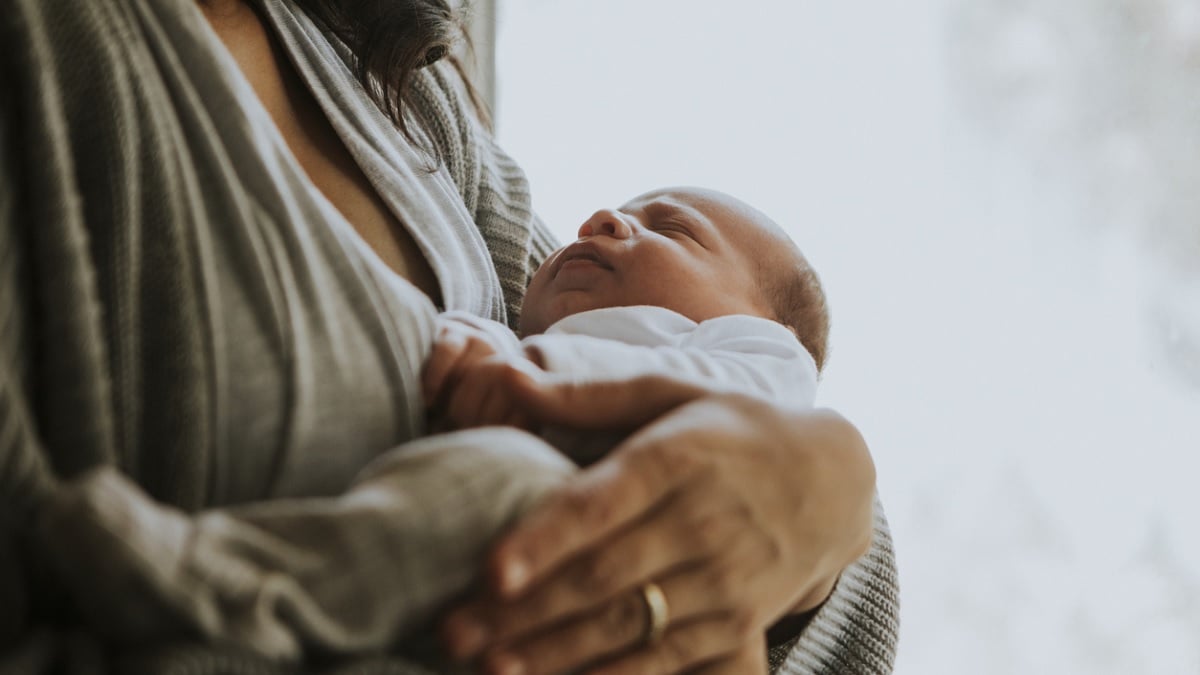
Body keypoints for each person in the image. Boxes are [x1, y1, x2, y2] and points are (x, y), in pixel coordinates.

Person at [0, 1, 899, 674]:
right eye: (620, 211)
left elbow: (829, 517)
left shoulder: (396, 85)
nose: (602, 224)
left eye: (671, 227)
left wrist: (829, 499)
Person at [424, 186, 829, 460]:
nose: (601, 219)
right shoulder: (530, 345)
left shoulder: (766, 356)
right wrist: (473, 341)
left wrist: (549, 370)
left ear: (765, 325)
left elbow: (771, 406)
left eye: (672, 228)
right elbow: (510, 351)